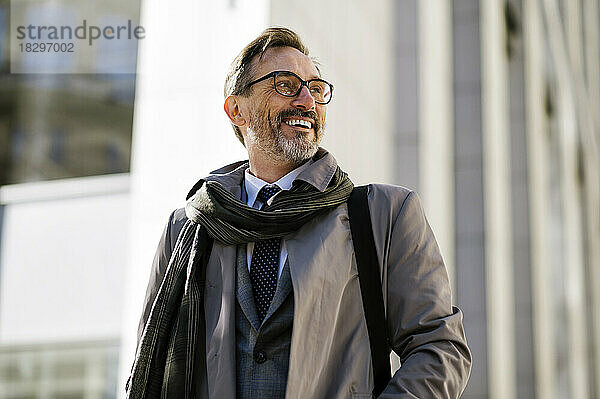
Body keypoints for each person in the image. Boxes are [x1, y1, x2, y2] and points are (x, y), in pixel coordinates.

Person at [127, 27, 471, 399]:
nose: (307, 100)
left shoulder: (385, 215)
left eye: (316, 88)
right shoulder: (189, 227)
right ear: (236, 109)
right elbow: (155, 359)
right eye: (286, 85)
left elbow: (440, 349)